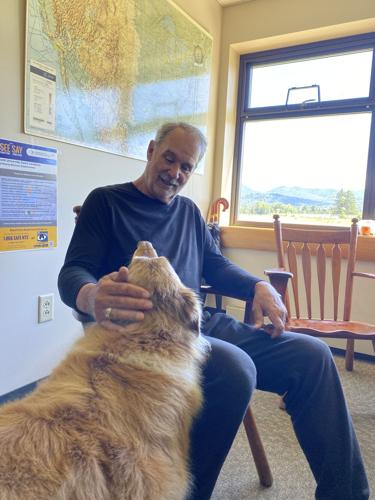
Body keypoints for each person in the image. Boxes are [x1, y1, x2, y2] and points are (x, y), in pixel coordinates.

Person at [58, 122, 369, 500]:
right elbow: (73, 271)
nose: (175, 173)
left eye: (186, 167)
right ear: (151, 150)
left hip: (200, 327)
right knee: (236, 368)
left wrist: (260, 285)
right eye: (169, 159)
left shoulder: (189, 213)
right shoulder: (105, 202)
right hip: (142, 341)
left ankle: (346, 493)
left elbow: (216, 266)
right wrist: (91, 296)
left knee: (313, 356)